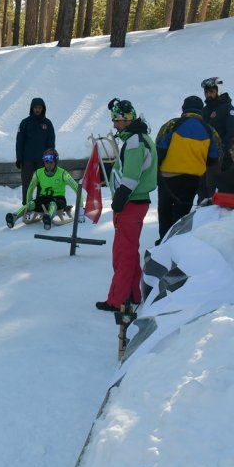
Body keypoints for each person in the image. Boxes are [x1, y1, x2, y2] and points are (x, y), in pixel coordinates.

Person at [95, 98, 157, 313]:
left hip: (131, 202)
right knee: (129, 250)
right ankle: (132, 293)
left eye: (117, 121)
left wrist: (120, 199)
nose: (114, 125)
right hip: (135, 202)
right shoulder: (137, 137)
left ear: (127, 120)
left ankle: (118, 300)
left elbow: (131, 176)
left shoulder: (134, 142)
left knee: (123, 253)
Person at [155, 96, 220, 241]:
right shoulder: (210, 130)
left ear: (184, 109)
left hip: (168, 177)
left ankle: (163, 241)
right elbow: (214, 158)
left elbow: (159, 148)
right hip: (193, 179)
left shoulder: (171, 125)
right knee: (182, 211)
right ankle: (176, 242)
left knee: (164, 211)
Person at [5, 148, 84, 230]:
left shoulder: (63, 173)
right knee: (30, 204)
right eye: (46, 162)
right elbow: (30, 189)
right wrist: (29, 206)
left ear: (56, 162)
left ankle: (48, 218)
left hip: (59, 199)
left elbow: (77, 188)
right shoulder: (38, 173)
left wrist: (81, 208)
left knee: (53, 204)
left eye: (51, 162)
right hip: (43, 199)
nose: (48, 165)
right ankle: (13, 216)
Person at [199, 77, 234, 200]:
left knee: (213, 187)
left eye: (211, 91)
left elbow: (233, 132)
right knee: (201, 188)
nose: (208, 95)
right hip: (203, 157)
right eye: (206, 92)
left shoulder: (227, 108)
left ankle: (213, 213)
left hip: (219, 157)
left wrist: (225, 153)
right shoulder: (205, 110)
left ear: (219, 90)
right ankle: (201, 214)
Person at [15, 98, 56, 205]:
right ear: (32, 108)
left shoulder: (47, 123)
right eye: (35, 108)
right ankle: (26, 204)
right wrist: (19, 158)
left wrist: (50, 158)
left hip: (43, 160)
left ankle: (39, 205)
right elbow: (19, 141)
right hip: (27, 159)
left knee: (42, 183)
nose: (38, 110)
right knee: (27, 183)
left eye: (40, 108)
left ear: (43, 109)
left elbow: (51, 142)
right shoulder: (25, 123)